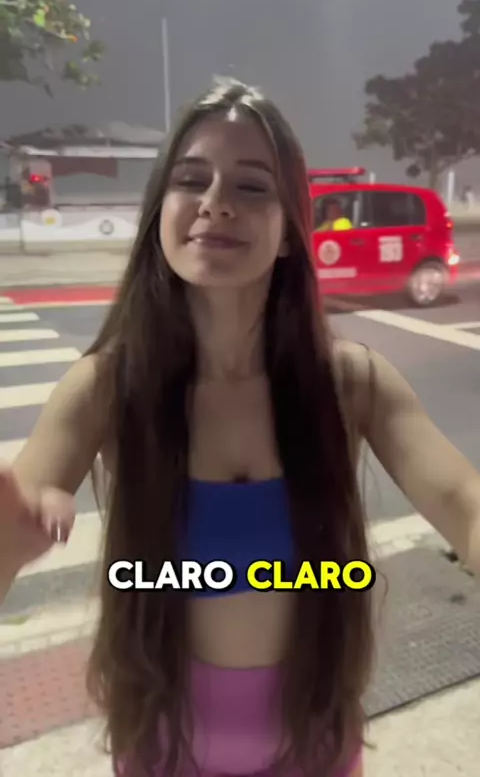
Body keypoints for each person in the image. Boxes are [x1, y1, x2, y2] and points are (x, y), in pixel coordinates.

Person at [0, 77, 479, 777]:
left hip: (314, 743)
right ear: (159, 213)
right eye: (191, 180)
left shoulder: (352, 383)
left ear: (289, 233)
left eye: (252, 186)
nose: (216, 202)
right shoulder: (104, 387)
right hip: (162, 749)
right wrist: (8, 551)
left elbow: (464, 502)